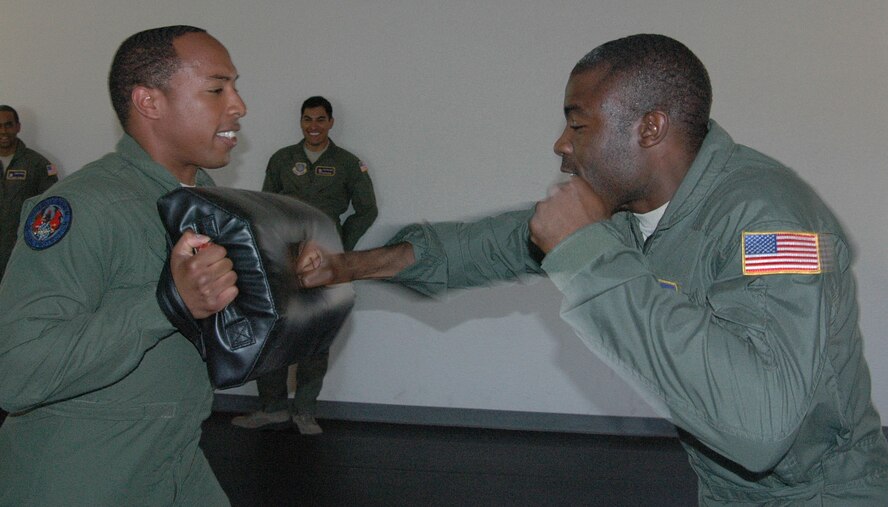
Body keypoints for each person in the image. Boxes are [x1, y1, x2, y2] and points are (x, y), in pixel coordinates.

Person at [294, 34, 888, 504]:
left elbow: (759, 425)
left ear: (649, 127)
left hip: (826, 493)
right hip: (727, 491)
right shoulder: (630, 207)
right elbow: (481, 246)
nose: (560, 143)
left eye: (578, 124)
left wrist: (586, 255)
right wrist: (343, 266)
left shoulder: (773, 221)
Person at [0, 25, 244, 505]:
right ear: (149, 102)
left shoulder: (204, 207)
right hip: (81, 479)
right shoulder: (85, 207)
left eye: (235, 88)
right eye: (217, 89)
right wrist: (165, 302)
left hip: (172, 460)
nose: (238, 106)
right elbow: (16, 373)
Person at [232, 96, 377, 435]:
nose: (313, 126)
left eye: (320, 120)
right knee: (274, 328)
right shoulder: (283, 159)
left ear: (330, 122)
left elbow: (366, 210)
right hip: (283, 257)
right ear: (301, 122)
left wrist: (341, 245)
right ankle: (272, 407)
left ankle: (305, 411)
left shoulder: (347, 164)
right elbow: (265, 206)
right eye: (307, 119)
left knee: (315, 333)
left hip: (325, 260)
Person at [0, 105, 59, 281]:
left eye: (8, 125)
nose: (3, 131)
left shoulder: (37, 165)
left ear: (18, 127)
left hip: (19, 255)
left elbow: (51, 210)